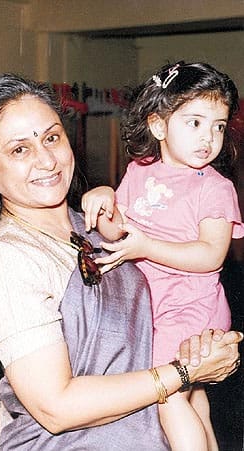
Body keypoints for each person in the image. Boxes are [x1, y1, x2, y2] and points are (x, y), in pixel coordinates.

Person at [0, 73, 241, 451]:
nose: (47, 160)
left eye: (51, 137)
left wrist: (203, 356)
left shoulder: (97, 226)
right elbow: (57, 407)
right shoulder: (9, 260)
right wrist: (183, 373)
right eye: (20, 149)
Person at [82, 61, 244, 451]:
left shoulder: (216, 188)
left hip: (192, 305)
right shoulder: (140, 169)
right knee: (193, 399)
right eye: (195, 122)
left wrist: (146, 248)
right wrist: (103, 200)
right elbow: (119, 232)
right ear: (158, 126)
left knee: (168, 396)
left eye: (218, 126)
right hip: (155, 305)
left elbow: (211, 255)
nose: (209, 137)